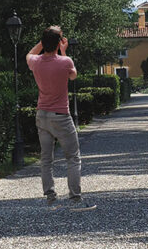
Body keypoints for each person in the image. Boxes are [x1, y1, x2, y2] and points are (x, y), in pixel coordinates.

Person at [26, 26, 96, 210]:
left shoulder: (35, 61)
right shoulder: (65, 62)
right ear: (58, 42)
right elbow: (73, 76)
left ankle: (51, 199)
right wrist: (62, 51)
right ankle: (75, 199)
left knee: (46, 159)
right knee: (73, 157)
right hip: (61, 116)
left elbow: (29, 54)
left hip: (42, 115)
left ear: (43, 42)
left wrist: (45, 41)